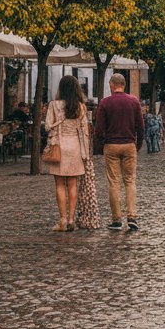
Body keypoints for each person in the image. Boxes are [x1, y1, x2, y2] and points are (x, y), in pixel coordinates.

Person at [95, 73, 144, 232]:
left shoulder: (105, 103)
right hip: (129, 144)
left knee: (114, 182)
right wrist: (138, 144)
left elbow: (99, 129)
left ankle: (116, 220)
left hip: (111, 145)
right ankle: (132, 216)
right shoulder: (134, 101)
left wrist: (102, 144)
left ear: (111, 84)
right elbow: (141, 126)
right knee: (130, 181)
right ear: (124, 85)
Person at [45, 76, 91, 233]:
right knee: (73, 184)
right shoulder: (81, 107)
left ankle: (62, 219)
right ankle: (72, 220)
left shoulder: (54, 105)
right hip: (75, 147)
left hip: (58, 146)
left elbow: (47, 126)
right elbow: (84, 131)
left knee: (59, 184)